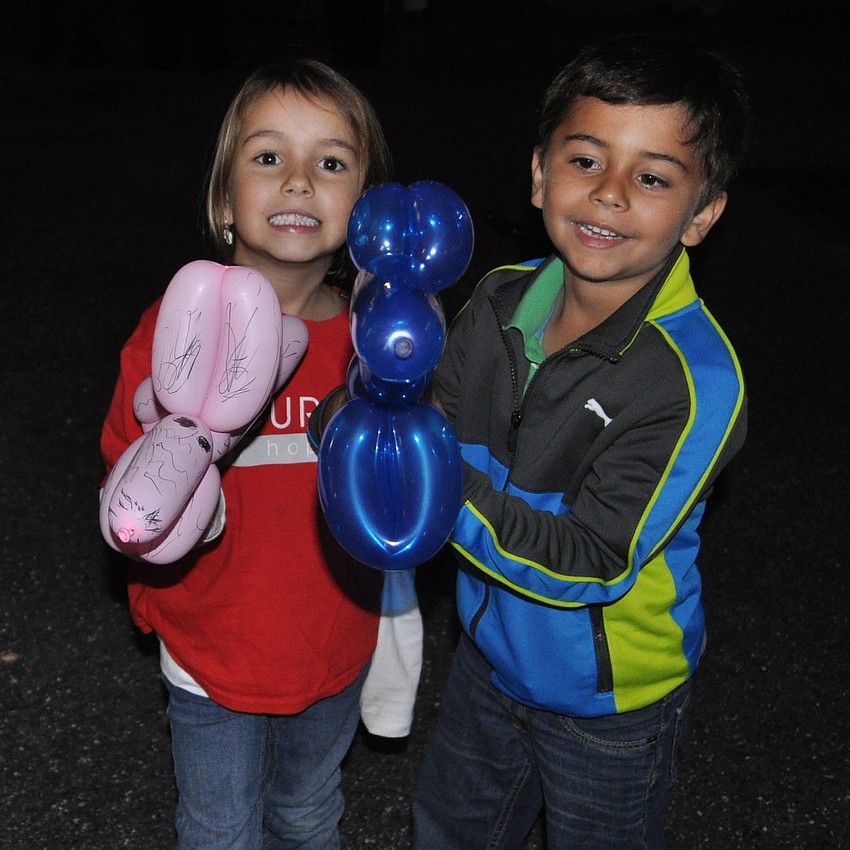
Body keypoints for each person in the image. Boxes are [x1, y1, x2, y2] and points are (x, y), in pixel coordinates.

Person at [411, 34, 752, 849]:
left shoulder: (693, 384)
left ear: (701, 214)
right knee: (449, 830)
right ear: (539, 173)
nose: (609, 195)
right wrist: (372, 418)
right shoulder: (496, 300)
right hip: (488, 657)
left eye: (654, 177)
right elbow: (436, 420)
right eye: (587, 161)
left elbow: (593, 559)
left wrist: (430, 481)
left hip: (609, 701)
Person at [100, 59, 399, 850]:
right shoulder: (177, 328)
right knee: (219, 828)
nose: (299, 181)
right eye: (268, 158)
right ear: (226, 200)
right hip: (210, 650)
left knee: (307, 813)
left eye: (330, 163)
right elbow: (129, 481)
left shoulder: (381, 347)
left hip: (332, 643)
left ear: (364, 209)